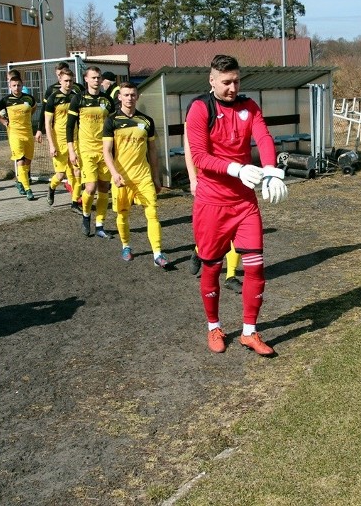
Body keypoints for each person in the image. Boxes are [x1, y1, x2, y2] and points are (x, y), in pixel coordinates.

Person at [185, 54, 289, 357]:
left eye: (237, 81)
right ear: (212, 80)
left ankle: (249, 331)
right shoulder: (200, 109)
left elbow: (264, 137)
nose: (233, 87)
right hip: (211, 202)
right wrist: (237, 169)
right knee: (212, 267)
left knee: (256, 266)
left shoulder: (249, 106)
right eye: (226, 82)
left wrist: (270, 172)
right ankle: (214, 326)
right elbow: (200, 156)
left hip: (244, 202)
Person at [102, 82, 170, 267]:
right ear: (120, 97)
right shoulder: (111, 121)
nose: (130, 98)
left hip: (143, 177)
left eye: (133, 94)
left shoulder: (146, 121)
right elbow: (106, 151)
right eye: (126, 95)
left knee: (153, 213)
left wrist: (156, 177)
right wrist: (114, 174)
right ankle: (126, 246)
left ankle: (157, 254)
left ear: (137, 96)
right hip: (121, 178)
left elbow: (153, 151)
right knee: (122, 215)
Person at [184, 128, 243, 293]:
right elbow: (189, 149)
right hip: (209, 183)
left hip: (232, 180)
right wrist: (193, 179)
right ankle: (198, 251)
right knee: (212, 232)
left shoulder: (233, 110)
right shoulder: (198, 109)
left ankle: (230, 276)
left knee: (234, 232)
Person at [66, 66, 116, 238]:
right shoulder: (78, 99)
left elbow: (114, 126)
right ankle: (86, 215)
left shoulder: (107, 100)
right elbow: (70, 126)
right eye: (93, 77)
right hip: (86, 150)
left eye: (98, 77)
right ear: (86, 79)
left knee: (104, 187)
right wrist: (71, 150)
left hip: (104, 150)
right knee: (90, 187)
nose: (96, 80)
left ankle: (100, 225)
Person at [0, 74, 40, 201]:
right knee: (20, 160)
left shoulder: (29, 99)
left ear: (22, 85)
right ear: (10, 87)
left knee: (28, 161)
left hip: (28, 133)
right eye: (14, 86)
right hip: (14, 134)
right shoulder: (6, 100)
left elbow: (34, 108)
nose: (16, 88)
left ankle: (20, 182)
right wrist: (3, 121)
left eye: (18, 85)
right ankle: (27, 188)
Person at [44, 68, 81, 207]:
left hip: (75, 139)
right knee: (60, 175)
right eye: (66, 81)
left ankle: (75, 202)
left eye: (71, 81)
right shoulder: (53, 98)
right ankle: (51, 188)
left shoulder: (76, 97)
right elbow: (48, 123)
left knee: (77, 170)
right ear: (60, 81)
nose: (69, 84)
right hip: (59, 141)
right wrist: (52, 145)